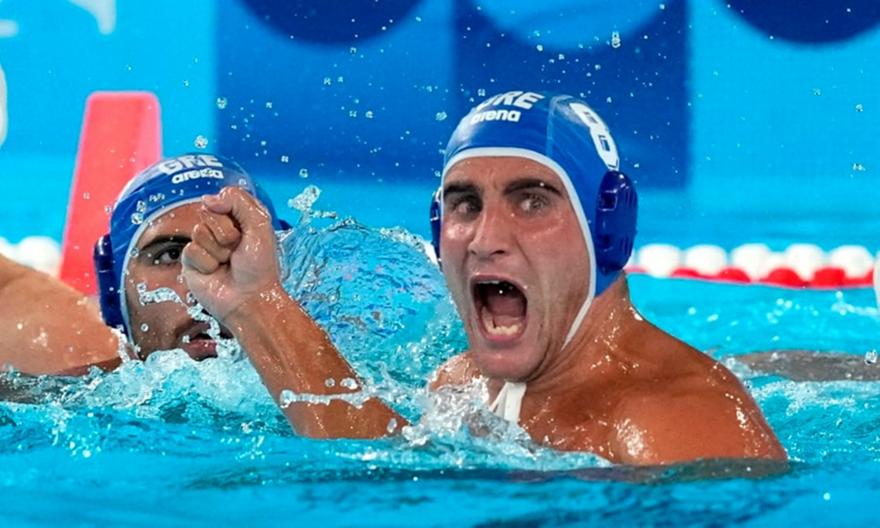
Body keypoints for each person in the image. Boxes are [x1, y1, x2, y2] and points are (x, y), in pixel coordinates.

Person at [182, 91, 787, 464]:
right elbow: (382, 473)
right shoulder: (460, 384)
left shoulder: (675, 426)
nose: (486, 237)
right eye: (465, 205)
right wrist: (255, 302)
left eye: (533, 200)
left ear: (607, 231)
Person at [0, 153, 288, 375]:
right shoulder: (66, 402)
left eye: (235, 248)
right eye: (170, 256)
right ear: (115, 297)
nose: (205, 283)